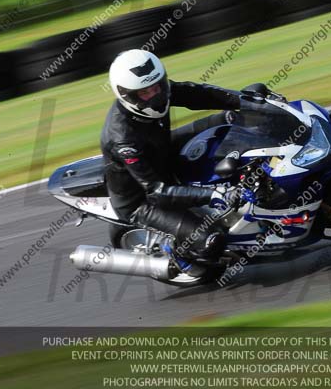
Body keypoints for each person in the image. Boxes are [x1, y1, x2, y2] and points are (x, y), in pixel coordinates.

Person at [101, 49, 245, 263]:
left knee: (228, 119)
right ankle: (174, 254)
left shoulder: (160, 92)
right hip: (144, 200)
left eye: (157, 86)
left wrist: (245, 100)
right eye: (145, 93)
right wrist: (214, 195)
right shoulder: (123, 139)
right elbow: (157, 191)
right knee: (211, 241)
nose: (155, 95)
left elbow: (198, 93)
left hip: (161, 151)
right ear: (127, 95)